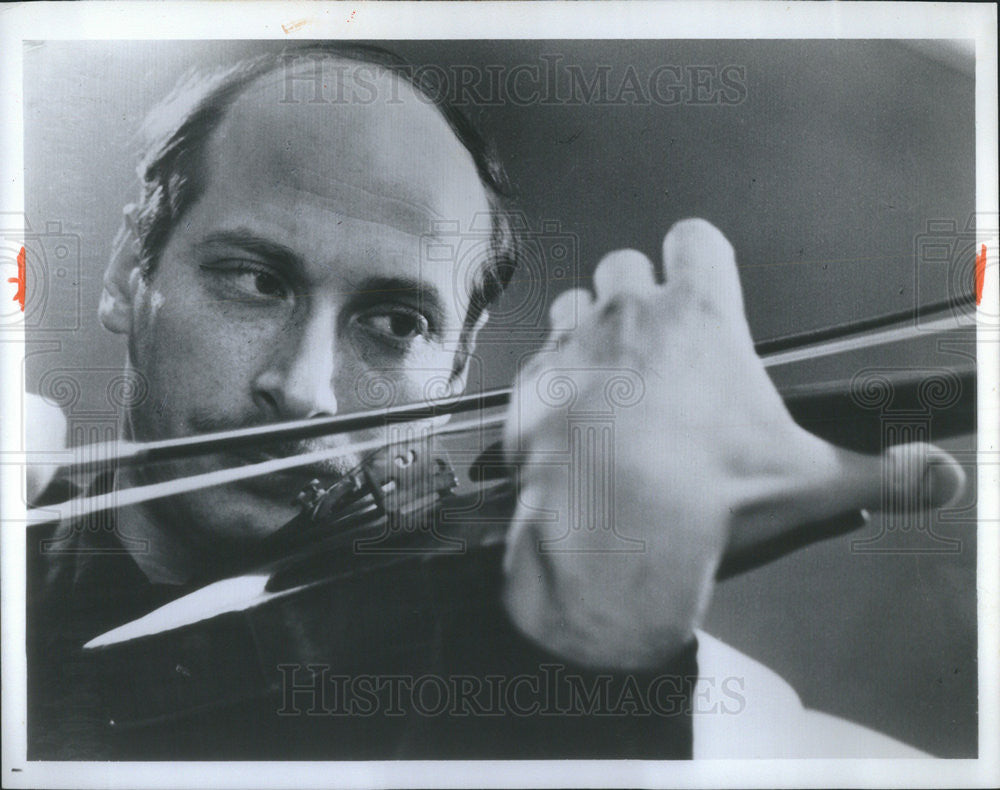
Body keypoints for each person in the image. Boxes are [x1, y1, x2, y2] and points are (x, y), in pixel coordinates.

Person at [26, 43, 963, 760]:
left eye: (394, 324)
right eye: (255, 281)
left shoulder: (506, 676)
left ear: (461, 371)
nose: (302, 391)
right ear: (127, 274)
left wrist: (596, 635)